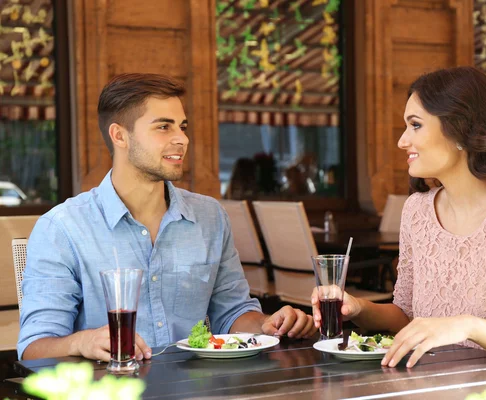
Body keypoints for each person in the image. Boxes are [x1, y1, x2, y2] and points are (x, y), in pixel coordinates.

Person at [18, 73, 317, 361]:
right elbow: (34, 348)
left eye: (182, 127)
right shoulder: (62, 229)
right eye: (164, 127)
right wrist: (83, 341)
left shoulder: (210, 217)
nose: (182, 139)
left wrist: (268, 325)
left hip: (198, 390)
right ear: (119, 135)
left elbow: (232, 313)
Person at [312, 66, 486, 369]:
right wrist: (358, 307)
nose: (402, 141)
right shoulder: (417, 211)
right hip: (428, 382)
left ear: (460, 130)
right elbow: (406, 315)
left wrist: (471, 326)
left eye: (415, 125)